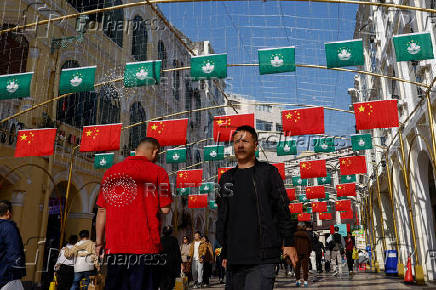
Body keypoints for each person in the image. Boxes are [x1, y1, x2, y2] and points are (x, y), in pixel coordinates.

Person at [216, 125, 297, 290]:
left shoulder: (268, 173)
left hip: (263, 258)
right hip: (235, 259)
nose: (240, 145)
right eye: (236, 141)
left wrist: (288, 242)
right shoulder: (226, 178)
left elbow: (282, 209)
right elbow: (223, 215)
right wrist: (225, 250)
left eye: (245, 141)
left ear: (255, 145)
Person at [95, 137, 173, 290]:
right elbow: (165, 209)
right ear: (155, 151)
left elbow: (102, 210)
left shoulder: (111, 172)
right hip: (146, 248)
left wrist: (99, 243)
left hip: (116, 249)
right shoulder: (159, 173)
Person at [0, 200, 26, 290]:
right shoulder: (9, 228)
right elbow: (14, 250)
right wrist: (18, 269)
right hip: (7, 276)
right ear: (8, 212)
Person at [159, 226, 181, 290]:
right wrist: (179, 263)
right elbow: (177, 252)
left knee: (162, 280)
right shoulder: (174, 239)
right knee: (170, 281)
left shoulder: (161, 239)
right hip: (171, 264)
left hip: (162, 263)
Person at [294, 222, 312, 288]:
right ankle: (305, 282)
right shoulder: (307, 235)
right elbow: (310, 245)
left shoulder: (295, 235)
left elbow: (293, 244)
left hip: (297, 253)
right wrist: (309, 252)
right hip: (305, 253)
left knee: (297, 267)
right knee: (305, 268)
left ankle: (298, 280)